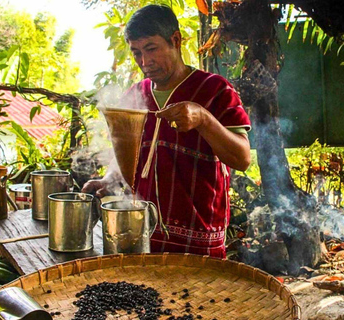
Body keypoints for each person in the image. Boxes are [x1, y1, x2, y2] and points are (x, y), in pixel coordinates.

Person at [82, 4, 251, 258]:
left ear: (175, 40)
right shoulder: (135, 95)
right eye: (136, 52)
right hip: (142, 240)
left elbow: (242, 158)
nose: (144, 62)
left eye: (151, 49)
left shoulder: (215, 91)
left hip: (198, 247)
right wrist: (109, 178)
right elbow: (126, 152)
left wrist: (204, 119)